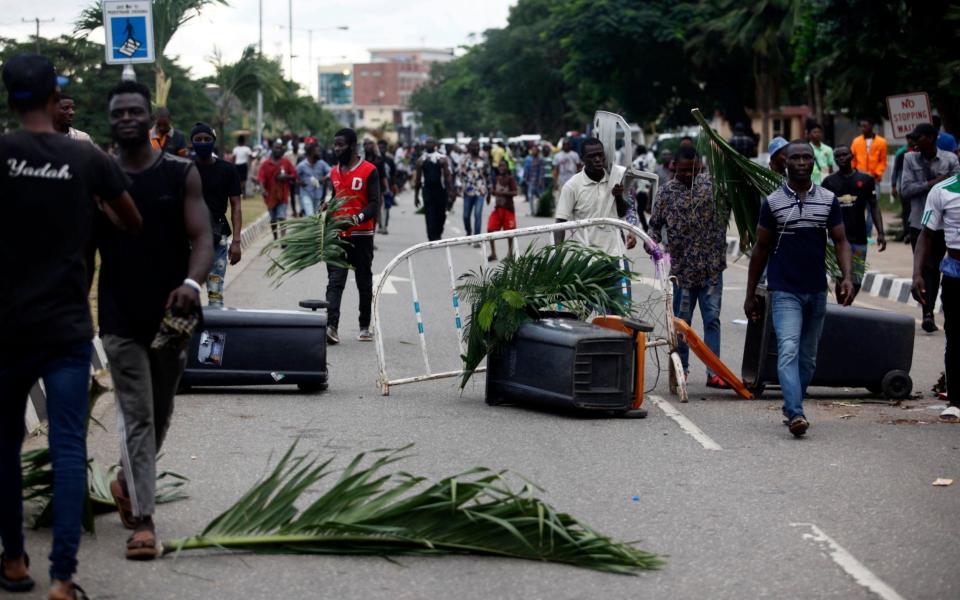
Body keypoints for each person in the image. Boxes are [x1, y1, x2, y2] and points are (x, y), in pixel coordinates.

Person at [0, 53, 141, 600]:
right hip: (65, 331)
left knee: (5, 448)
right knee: (65, 450)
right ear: (51, 96)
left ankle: (13, 561)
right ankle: (62, 579)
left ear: (12, 97)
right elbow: (131, 220)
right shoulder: (85, 158)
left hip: (7, 330)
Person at [96, 80, 212, 560]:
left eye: (134, 111)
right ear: (111, 120)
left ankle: (127, 480)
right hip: (119, 317)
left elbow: (203, 237)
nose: (126, 118)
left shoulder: (180, 173)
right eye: (118, 112)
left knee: (160, 413)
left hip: (171, 319)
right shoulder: (98, 177)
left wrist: (192, 283)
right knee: (139, 417)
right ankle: (144, 523)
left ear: (150, 118)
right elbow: (83, 246)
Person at [744, 141, 854, 438]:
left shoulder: (828, 200)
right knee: (788, 350)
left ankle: (793, 403)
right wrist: (750, 291)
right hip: (784, 291)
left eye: (807, 157)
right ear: (785, 163)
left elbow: (841, 241)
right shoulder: (773, 202)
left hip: (816, 290)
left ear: (814, 162)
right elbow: (761, 248)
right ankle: (795, 412)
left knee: (808, 358)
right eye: (796, 157)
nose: (803, 162)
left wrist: (847, 277)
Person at [648, 145, 728, 388]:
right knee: (682, 324)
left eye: (692, 170)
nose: (687, 175)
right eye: (682, 170)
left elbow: (736, 205)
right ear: (674, 167)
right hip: (682, 272)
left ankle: (714, 371)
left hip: (712, 269)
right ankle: (680, 369)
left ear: (700, 166)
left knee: (712, 320)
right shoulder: (666, 193)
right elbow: (654, 226)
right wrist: (652, 244)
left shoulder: (714, 187)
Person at [901, 122, 960, 332]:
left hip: (946, 225)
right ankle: (927, 313)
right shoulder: (909, 159)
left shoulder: (950, 159)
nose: (914, 141)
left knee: (937, 267)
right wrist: (934, 183)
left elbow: (956, 188)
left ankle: (932, 308)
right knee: (926, 268)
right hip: (920, 222)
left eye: (919, 137)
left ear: (932, 138)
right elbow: (905, 190)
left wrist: (939, 184)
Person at [912, 169, 960, 422]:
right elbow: (927, 235)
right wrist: (916, 274)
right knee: (954, 337)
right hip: (955, 272)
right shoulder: (942, 191)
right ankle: (956, 401)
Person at [324, 128, 380, 344]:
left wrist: (357, 218)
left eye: (341, 145)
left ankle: (364, 326)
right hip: (338, 235)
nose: (337, 149)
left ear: (353, 146)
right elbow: (334, 195)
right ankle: (332, 327)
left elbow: (374, 203)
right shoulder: (334, 171)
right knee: (335, 281)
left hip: (362, 235)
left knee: (363, 281)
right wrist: (327, 204)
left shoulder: (369, 170)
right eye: (335, 145)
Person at [822, 145, 886, 301]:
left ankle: (846, 305)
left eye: (844, 155)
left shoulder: (865, 180)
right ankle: (842, 307)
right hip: (836, 240)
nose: (841, 158)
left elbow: (874, 206)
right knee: (840, 276)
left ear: (852, 156)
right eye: (838, 156)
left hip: (859, 239)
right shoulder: (829, 182)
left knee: (856, 278)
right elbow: (822, 210)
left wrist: (881, 233)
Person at [191, 122, 242, 308]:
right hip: (187, 239)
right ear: (192, 142)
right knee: (188, 294)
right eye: (198, 139)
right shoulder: (184, 169)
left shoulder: (227, 170)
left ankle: (213, 337)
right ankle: (190, 336)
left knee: (215, 294)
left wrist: (236, 241)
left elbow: (236, 206)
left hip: (217, 238)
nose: (203, 142)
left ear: (214, 142)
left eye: (207, 139)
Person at [553, 137, 629, 254]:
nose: (597, 159)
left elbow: (622, 213)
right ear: (583, 159)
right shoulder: (572, 186)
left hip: (616, 253)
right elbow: (560, 221)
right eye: (592, 156)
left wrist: (618, 196)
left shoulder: (614, 179)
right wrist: (557, 255)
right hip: (586, 257)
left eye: (600, 154)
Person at [414, 138, 453, 241]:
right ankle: (431, 237)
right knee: (429, 214)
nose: (429, 145)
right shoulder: (421, 160)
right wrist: (416, 196)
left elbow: (447, 177)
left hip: (440, 190)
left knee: (441, 214)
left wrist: (450, 193)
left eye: (431, 143)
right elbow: (417, 180)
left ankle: (438, 233)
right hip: (427, 191)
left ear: (435, 144)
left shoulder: (442, 159)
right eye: (427, 143)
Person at [258, 140, 296, 240]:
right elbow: (261, 179)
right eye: (276, 148)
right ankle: (276, 238)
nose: (278, 150)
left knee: (282, 216)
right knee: (273, 219)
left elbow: (294, 175)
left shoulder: (286, 162)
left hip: (283, 195)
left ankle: (283, 239)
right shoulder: (266, 164)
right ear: (272, 149)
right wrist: (262, 190)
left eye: (280, 148)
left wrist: (285, 177)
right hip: (270, 196)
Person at [459, 139, 490, 242]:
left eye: (477, 146)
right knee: (466, 216)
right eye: (473, 146)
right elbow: (459, 175)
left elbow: (488, 177)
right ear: (469, 148)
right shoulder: (464, 161)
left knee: (477, 214)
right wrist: (459, 188)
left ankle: (477, 238)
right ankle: (468, 231)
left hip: (480, 192)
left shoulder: (483, 161)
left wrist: (489, 193)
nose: (475, 148)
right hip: (467, 192)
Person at [486, 160, 518, 261]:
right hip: (498, 208)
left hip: (508, 209)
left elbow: (515, 192)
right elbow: (493, 193)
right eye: (500, 166)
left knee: (510, 232)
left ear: (507, 168)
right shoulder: (497, 178)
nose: (501, 168)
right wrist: (490, 194)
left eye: (503, 166)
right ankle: (493, 253)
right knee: (490, 229)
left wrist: (501, 193)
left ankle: (510, 254)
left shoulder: (510, 179)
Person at [891, 134, 917, 242]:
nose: (911, 141)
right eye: (909, 139)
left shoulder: (920, 151)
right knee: (906, 211)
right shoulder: (901, 152)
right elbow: (896, 170)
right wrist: (893, 186)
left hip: (918, 188)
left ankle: (915, 233)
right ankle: (907, 233)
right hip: (905, 187)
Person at [296, 142, 330, 218]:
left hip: (318, 194)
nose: (320, 153)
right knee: (310, 214)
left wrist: (325, 178)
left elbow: (331, 172)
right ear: (311, 152)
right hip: (306, 193)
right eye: (318, 151)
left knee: (316, 215)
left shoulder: (322, 163)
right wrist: (299, 182)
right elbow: (294, 175)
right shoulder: (302, 165)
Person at [850, 118, 888, 184]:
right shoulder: (856, 141)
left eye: (864, 126)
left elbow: (882, 161)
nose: (862, 128)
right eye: (861, 126)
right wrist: (854, 172)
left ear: (871, 126)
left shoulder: (881, 142)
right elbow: (853, 159)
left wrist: (876, 174)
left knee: (874, 194)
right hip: (859, 177)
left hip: (874, 178)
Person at [377, 139, 399, 234]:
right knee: (377, 208)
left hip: (387, 187)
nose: (382, 149)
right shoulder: (374, 159)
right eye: (380, 147)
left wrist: (393, 185)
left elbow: (393, 173)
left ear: (386, 148)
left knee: (386, 207)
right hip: (376, 187)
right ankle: (379, 225)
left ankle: (384, 226)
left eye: (383, 147)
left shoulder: (390, 160)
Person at [523, 145, 545, 216]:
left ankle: (541, 210)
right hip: (531, 181)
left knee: (540, 197)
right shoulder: (528, 159)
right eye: (532, 150)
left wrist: (541, 181)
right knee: (530, 197)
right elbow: (526, 169)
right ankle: (532, 211)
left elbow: (542, 171)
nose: (533, 151)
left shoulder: (540, 159)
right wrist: (525, 178)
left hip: (538, 181)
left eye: (535, 150)